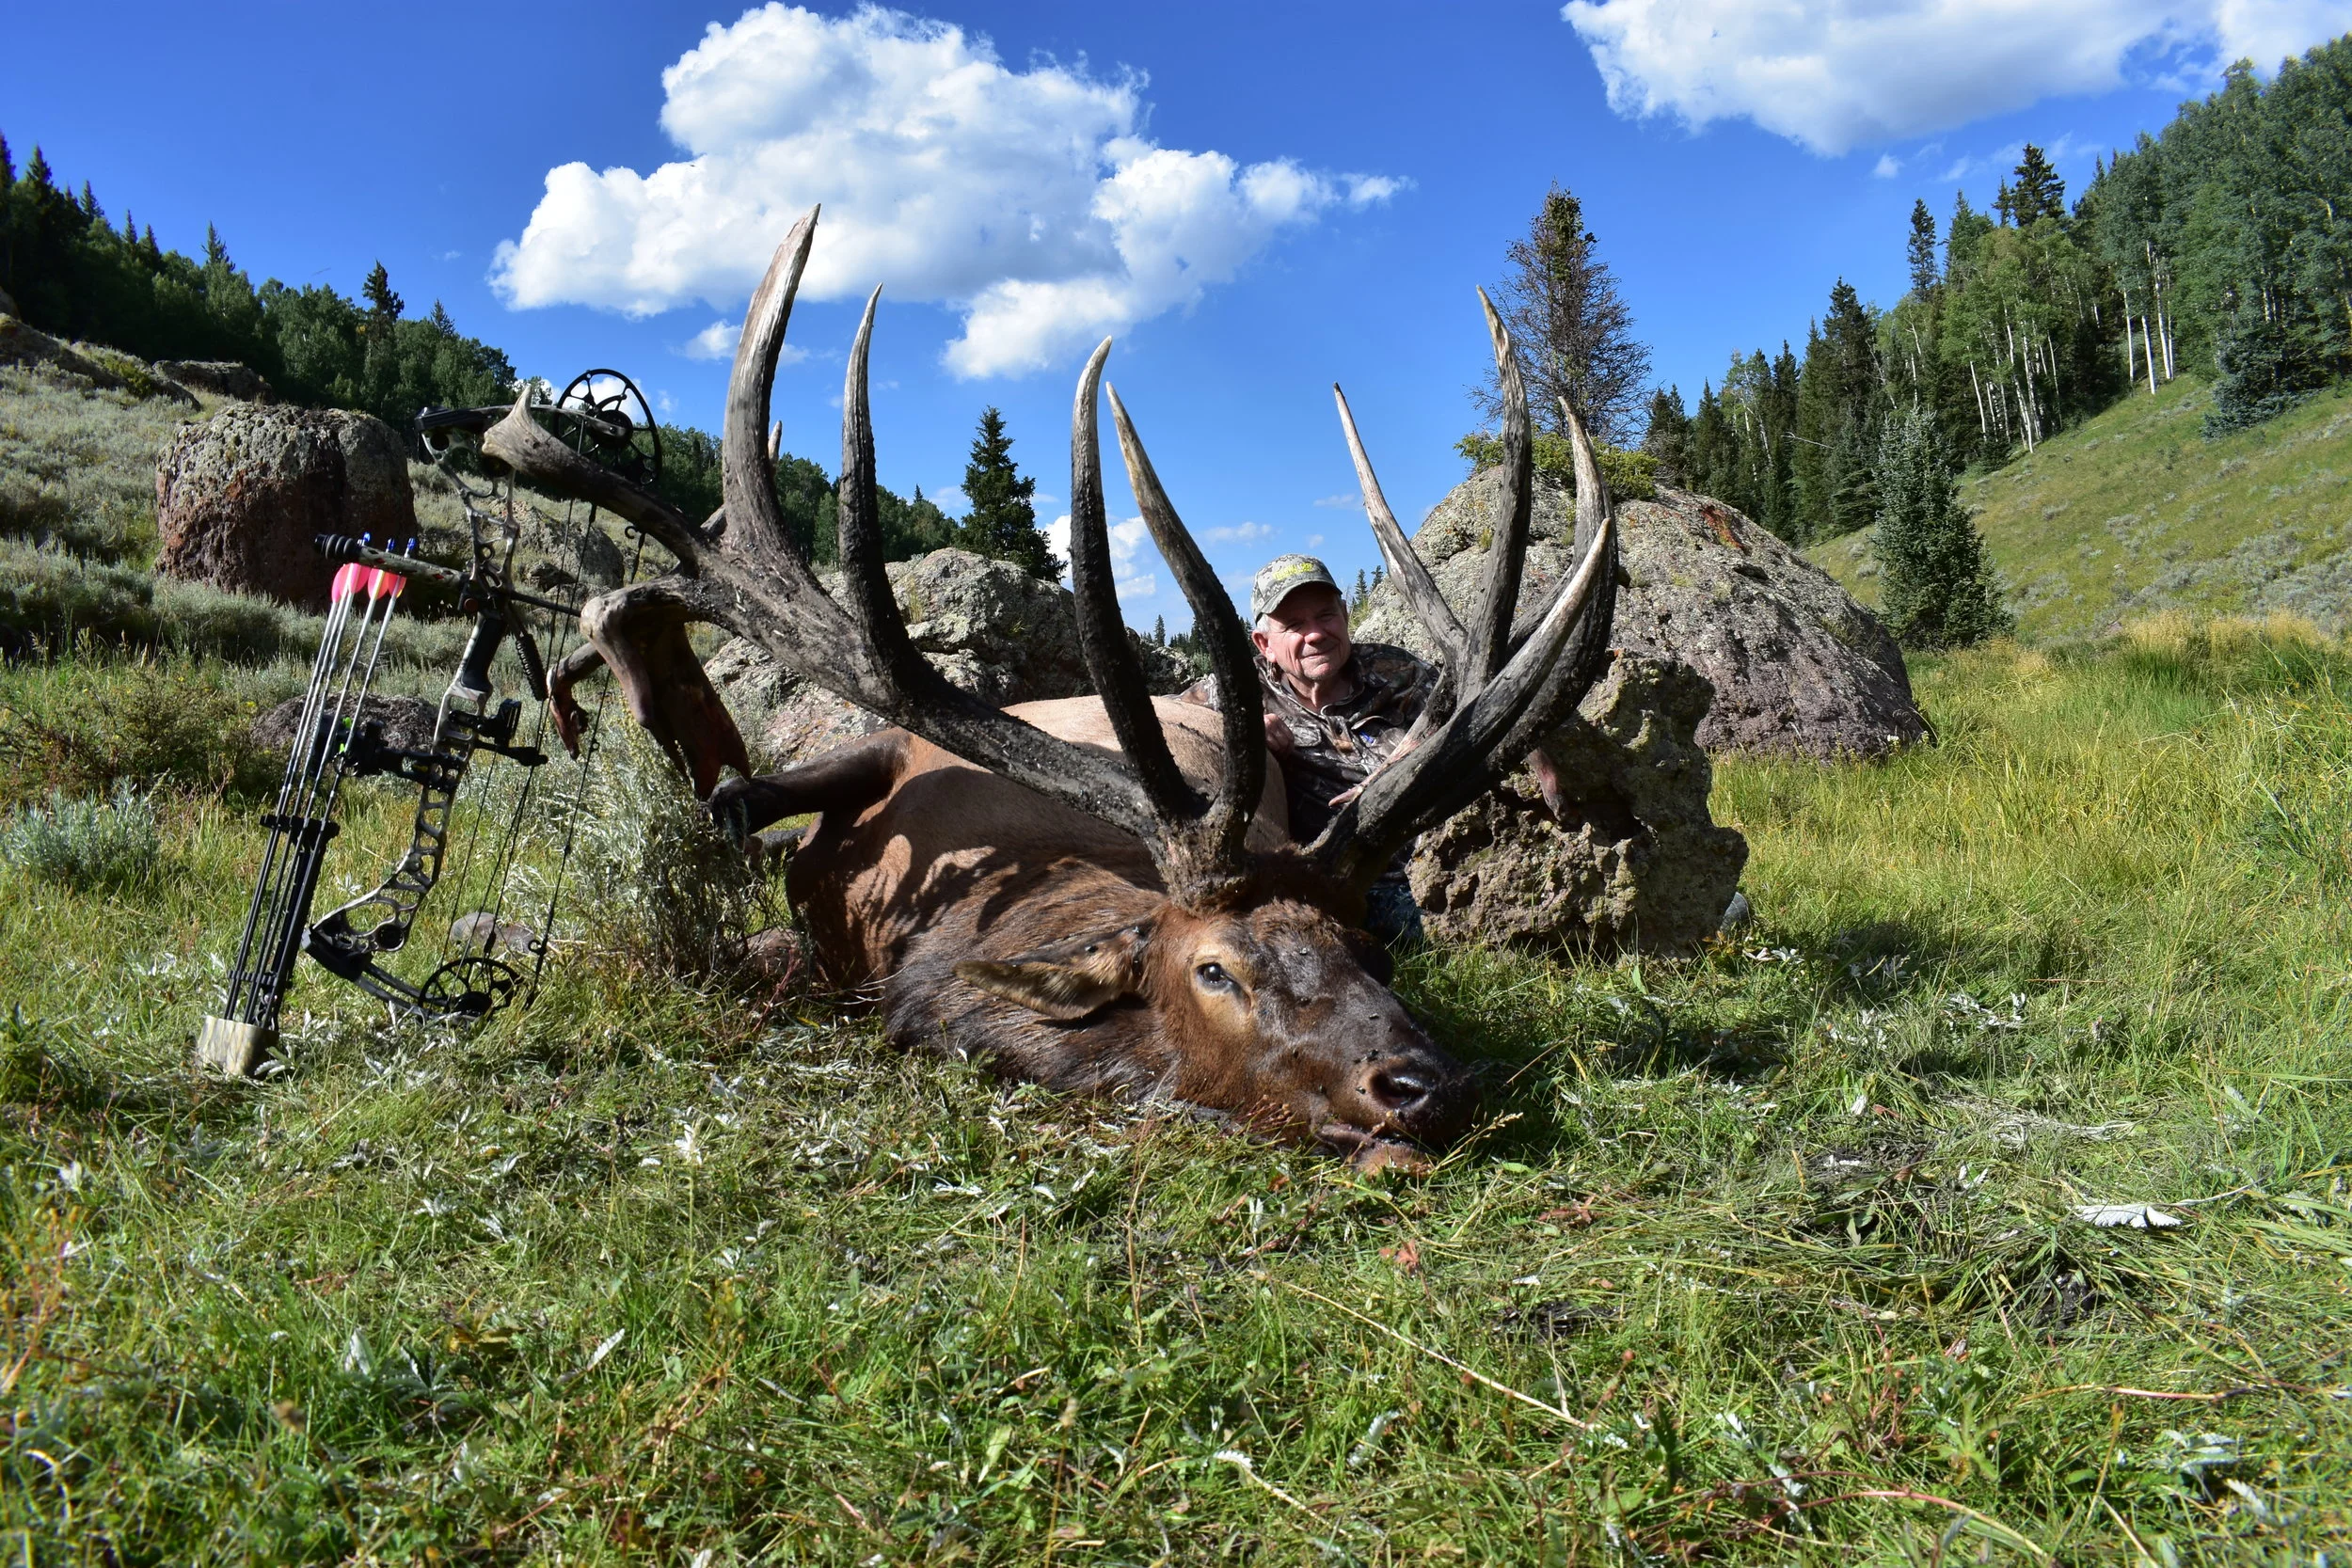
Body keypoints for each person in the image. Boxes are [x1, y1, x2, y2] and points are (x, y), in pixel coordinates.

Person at [1184, 554, 1433, 945]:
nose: (1315, 634)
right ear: (1265, 644)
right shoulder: (1239, 690)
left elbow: (1472, 704)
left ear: (1345, 616)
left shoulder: (1399, 672)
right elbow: (1169, 721)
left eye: (1325, 616)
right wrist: (1236, 728)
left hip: (1436, 863)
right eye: (1295, 625)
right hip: (1333, 889)